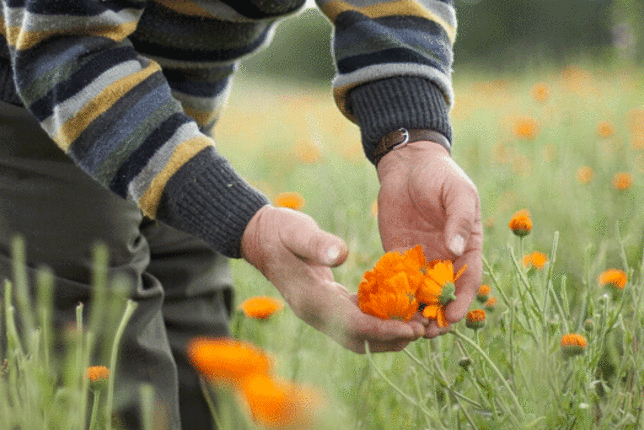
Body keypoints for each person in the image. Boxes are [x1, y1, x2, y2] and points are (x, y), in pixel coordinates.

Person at [0, 0, 482, 428]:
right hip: (41, 102)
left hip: (176, 116)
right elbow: (64, 40)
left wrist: (412, 142)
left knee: (204, 362)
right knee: (105, 360)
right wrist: (240, 220)